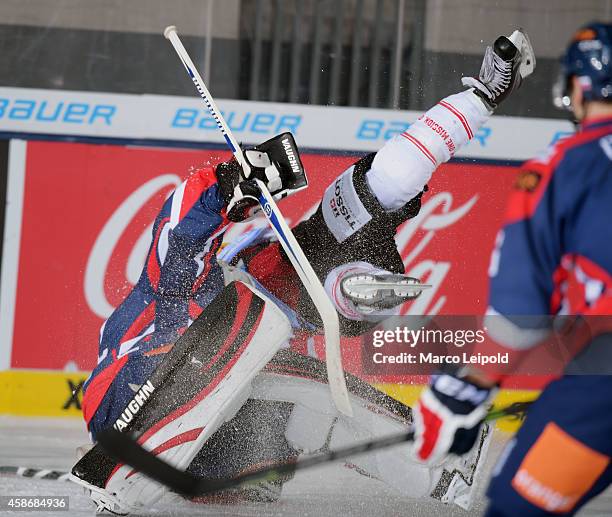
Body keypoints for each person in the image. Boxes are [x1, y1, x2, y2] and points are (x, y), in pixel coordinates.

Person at [71, 29, 534, 514]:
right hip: (126, 405)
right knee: (254, 321)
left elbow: (380, 188)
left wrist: (480, 99)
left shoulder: (268, 290)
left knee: (310, 382)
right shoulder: (178, 285)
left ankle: (443, 468)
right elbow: (180, 229)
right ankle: (127, 469)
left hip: (222, 459)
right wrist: (229, 182)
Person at [412, 22, 612, 517]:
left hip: (601, 383)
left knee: (513, 509)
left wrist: (460, 390)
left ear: (575, 89)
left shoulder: (563, 168)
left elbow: (519, 317)